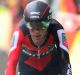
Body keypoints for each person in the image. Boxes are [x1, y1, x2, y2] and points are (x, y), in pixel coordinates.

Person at [5, 1, 72, 75]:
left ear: (49, 23)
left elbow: (65, 61)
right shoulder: (20, 31)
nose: (36, 31)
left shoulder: (57, 29)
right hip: (28, 68)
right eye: (31, 25)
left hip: (51, 66)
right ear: (26, 24)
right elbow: (11, 63)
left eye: (42, 25)